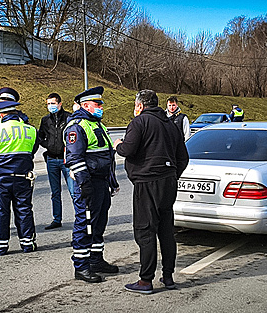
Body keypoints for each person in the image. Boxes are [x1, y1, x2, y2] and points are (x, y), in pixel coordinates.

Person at [114, 89, 189, 294]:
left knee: (145, 230)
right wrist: (173, 175)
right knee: (166, 230)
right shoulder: (171, 125)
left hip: (147, 182)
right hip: (168, 182)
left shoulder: (139, 123)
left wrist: (118, 145)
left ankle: (145, 280)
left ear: (140, 105)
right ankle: (168, 275)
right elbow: (183, 157)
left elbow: (128, 150)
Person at [64, 86, 120, 283]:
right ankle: (81, 267)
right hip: (88, 184)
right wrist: (85, 185)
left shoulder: (96, 124)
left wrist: (111, 181)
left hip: (101, 182)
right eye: (97, 104)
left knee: (98, 223)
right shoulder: (77, 126)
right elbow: (75, 159)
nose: (101, 107)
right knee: (85, 224)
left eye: (100, 104)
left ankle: (96, 260)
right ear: (86, 106)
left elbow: (106, 156)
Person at [0, 100, 40, 255]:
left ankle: (0, 246)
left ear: (1, 114)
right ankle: (28, 244)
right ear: (16, 113)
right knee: (24, 209)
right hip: (23, 177)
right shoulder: (31, 130)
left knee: (1, 211)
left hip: (1, 179)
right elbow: (32, 150)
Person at [0, 87, 30, 234]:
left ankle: (4, 233)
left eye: (7, 101)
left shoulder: (22, 119)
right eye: (2, 100)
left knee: (13, 204)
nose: (4, 103)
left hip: (16, 165)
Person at [38, 93, 75, 230]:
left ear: (60, 104)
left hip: (66, 160)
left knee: (73, 190)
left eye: (53, 103)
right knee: (55, 192)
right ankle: (57, 219)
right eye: (48, 104)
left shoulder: (69, 118)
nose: (50, 106)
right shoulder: (45, 120)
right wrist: (48, 145)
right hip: (51, 159)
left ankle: (79, 217)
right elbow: (40, 137)